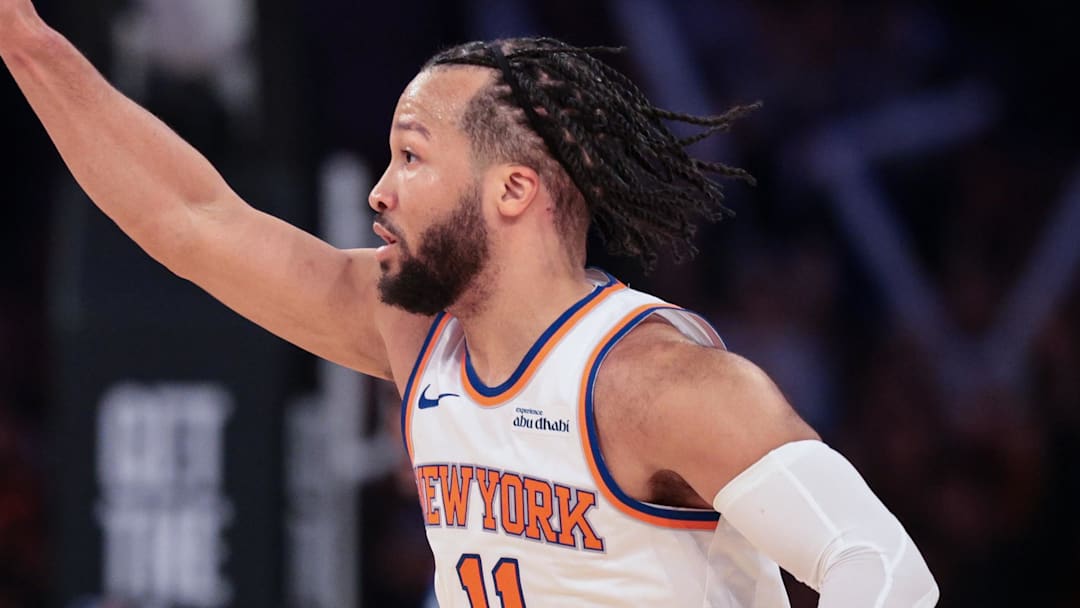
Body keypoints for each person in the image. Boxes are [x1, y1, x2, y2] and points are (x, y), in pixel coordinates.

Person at [0, 1, 939, 605]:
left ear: (514, 191)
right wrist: (28, 45)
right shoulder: (409, 330)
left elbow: (886, 573)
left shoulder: (657, 384)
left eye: (411, 156)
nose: (379, 190)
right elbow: (191, 218)